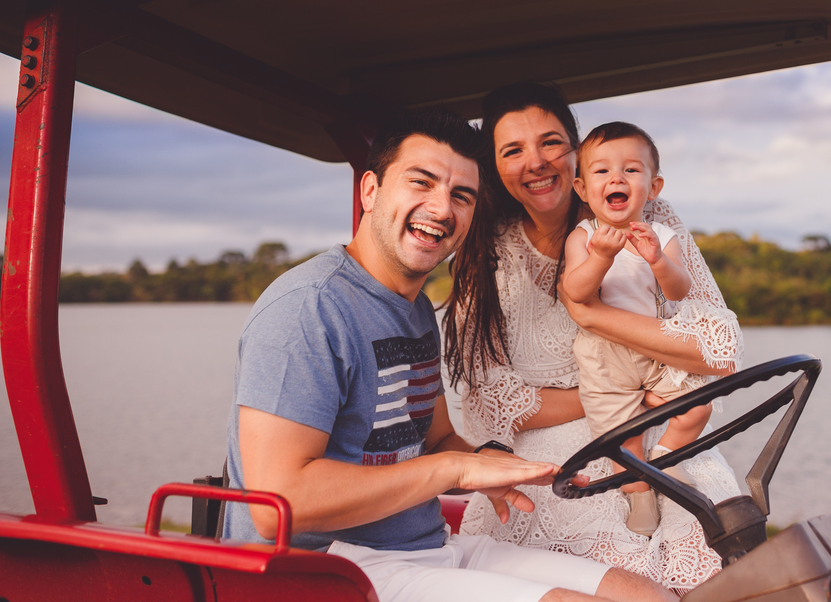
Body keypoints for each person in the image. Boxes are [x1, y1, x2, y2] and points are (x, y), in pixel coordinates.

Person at [224, 109, 673, 602]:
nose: (441, 209)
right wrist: (455, 472)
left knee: (646, 596)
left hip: (423, 547)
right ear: (369, 191)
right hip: (323, 569)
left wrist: (494, 465)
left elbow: (436, 440)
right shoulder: (309, 309)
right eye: (422, 183)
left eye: (461, 195)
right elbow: (276, 504)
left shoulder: (413, 308)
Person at [442, 83, 744, 595]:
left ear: (577, 155)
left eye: (551, 143)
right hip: (558, 465)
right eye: (512, 151)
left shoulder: (649, 218)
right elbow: (491, 405)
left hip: (663, 436)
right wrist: (617, 400)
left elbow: (719, 349)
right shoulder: (485, 253)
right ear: (494, 168)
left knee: (716, 542)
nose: (535, 162)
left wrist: (595, 315)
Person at [562, 122, 712, 537]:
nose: (616, 178)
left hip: (654, 344)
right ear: (581, 188)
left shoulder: (661, 235)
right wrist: (601, 258)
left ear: (653, 186)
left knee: (699, 406)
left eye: (631, 170)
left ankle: (666, 457)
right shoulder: (585, 236)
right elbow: (575, 291)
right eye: (602, 171)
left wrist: (658, 260)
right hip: (603, 353)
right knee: (622, 434)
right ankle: (638, 491)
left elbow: (680, 287)